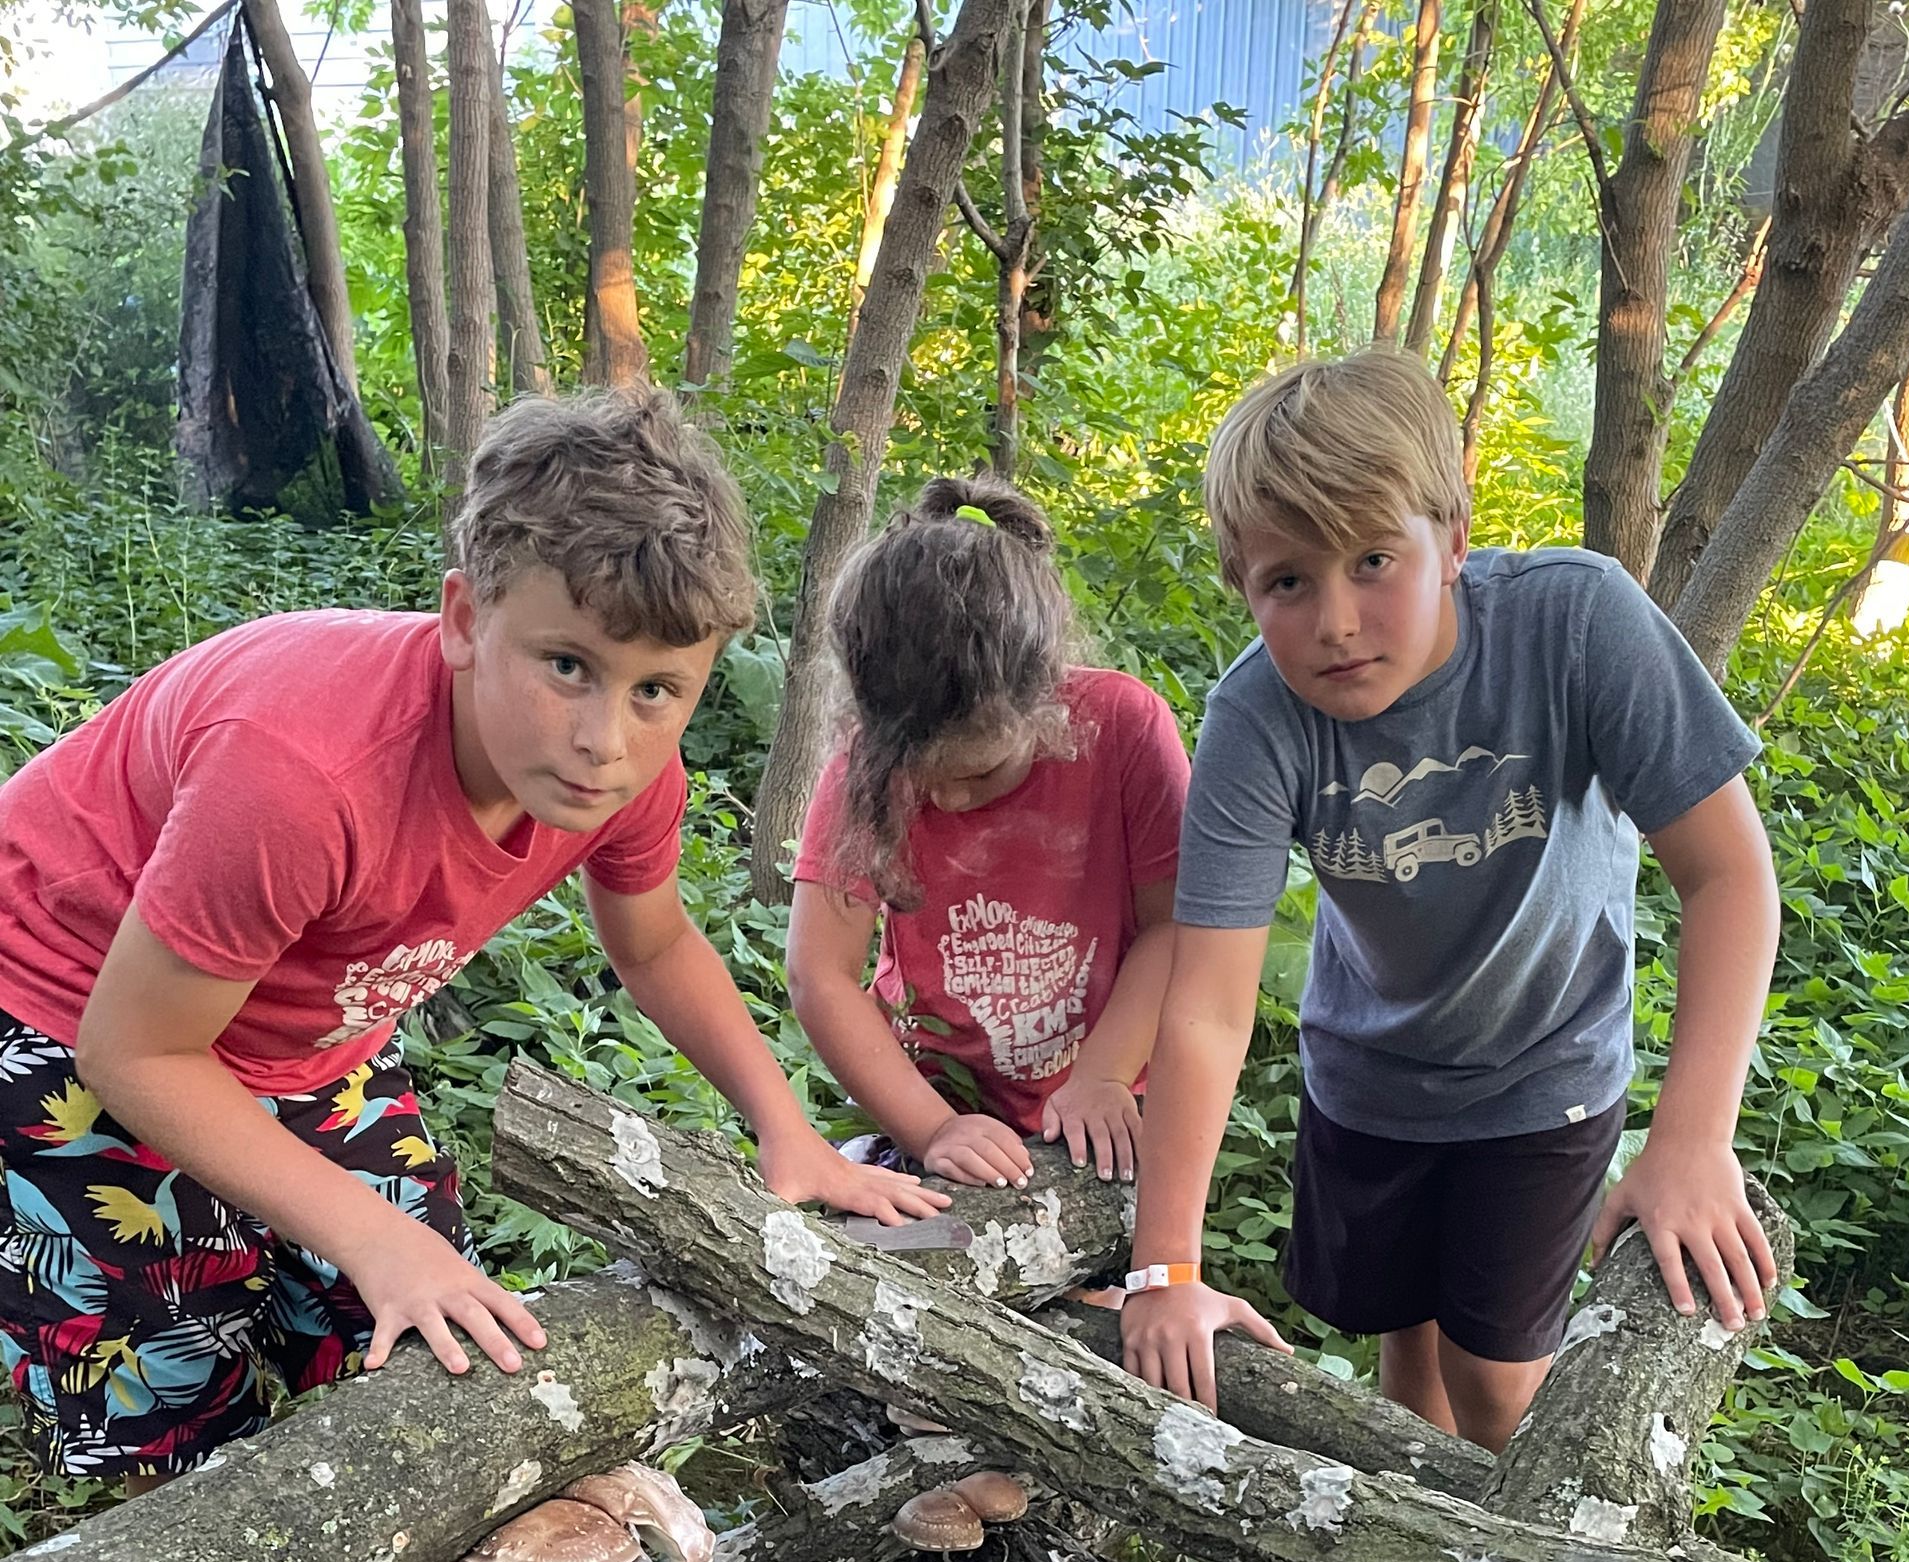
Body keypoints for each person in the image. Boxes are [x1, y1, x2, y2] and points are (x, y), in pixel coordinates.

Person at [0, 387, 941, 1481]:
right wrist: (367, 1235)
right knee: (167, 1362)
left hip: (309, 1026)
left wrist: (789, 1130)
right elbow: (138, 1051)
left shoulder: (631, 772)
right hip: (66, 1007)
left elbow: (654, 943)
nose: (604, 740)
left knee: (424, 1328)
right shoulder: (303, 777)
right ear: (463, 619)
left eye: (656, 690)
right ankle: (188, 1560)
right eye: (567, 666)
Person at [1120, 346, 1781, 1450]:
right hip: (1367, 1077)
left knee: (1495, 1379)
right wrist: (1163, 1267)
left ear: (1455, 540)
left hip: (1546, 1074)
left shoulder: (1576, 625)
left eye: (1373, 560)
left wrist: (1692, 1139)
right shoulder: (1257, 719)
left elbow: (1728, 875)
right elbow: (1206, 1005)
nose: (1334, 619)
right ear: (1245, 584)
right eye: (1289, 581)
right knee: (1404, 1342)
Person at [786, 477, 1190, 1189]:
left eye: (978, 776)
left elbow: (1174, 927)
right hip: (935, 1091)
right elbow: (820, 973)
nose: (945, 796)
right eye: (919, 772)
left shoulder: (1124, 726)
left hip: (1112, 1089)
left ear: (1044, 704)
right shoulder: (863, 764)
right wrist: (931, 1126)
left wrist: (1103, 1075)